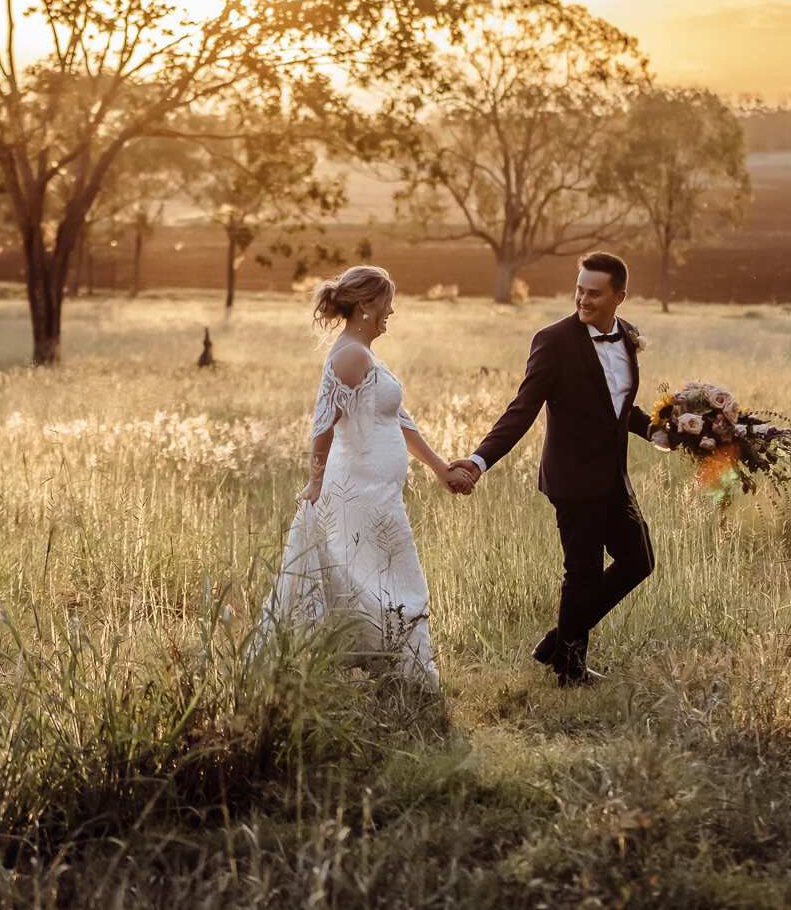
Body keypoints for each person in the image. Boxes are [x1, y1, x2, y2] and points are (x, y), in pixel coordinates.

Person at [449, 251, 672, 686]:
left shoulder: (627, 336)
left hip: (613, 476)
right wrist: (479, 461)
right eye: (579, 290)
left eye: (594, 293)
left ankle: (556, 642)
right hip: (572, 477)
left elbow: (618, 404)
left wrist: (656, 431)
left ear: (619, 297)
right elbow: (522, 409)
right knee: (583, 572)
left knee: (639, 560)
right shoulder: (552, 340)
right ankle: (569, 671)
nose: (583, 300)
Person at [258, 265, 472, 687]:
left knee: (376, 578)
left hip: (379, 492)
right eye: (387, 302)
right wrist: (316, 482)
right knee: (391, 578)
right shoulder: (351, 355)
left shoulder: (365, 354)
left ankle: (384, 667)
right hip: (357, 492)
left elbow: (400, 423)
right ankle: (405, 675)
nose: (392, 310)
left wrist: (440, 468)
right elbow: (323, 424)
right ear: (369, 306)